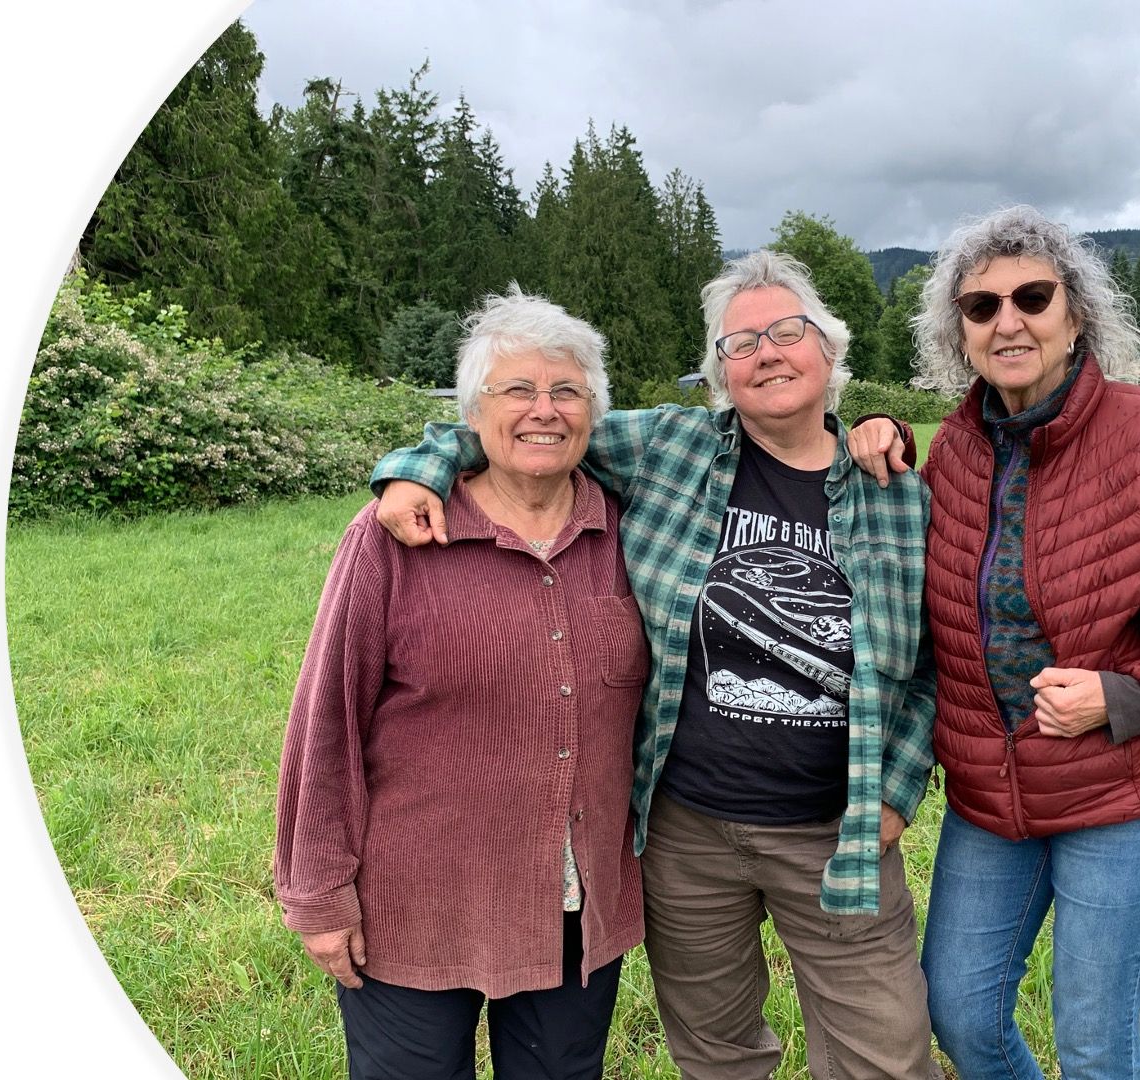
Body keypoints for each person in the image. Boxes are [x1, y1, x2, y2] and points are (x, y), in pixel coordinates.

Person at [372, 251, 941, 1079]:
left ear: (831, 350)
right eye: (739, 343)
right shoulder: (671, 449)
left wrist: (895, 794)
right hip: (685, 832)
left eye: (789, 332)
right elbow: (528, 423)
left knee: (885, 1057)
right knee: (716, 1054)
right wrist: (415, 471)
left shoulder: (898, 493)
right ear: (718, 371)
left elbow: (933, 664)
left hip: (837, 831)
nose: (767, 353)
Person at [848, 205, 1140, 1080]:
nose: (1007, 320)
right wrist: (882, 436)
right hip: (995, 793)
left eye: (1032, 296)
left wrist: (1126, 697)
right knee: (959, 1009)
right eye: (981, 307)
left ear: (1076, 312)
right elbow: (915, 558)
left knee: (1094, 1039)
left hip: (1130, 789)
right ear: (961, 335)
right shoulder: (957, 451)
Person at [274, 288, 648, 1080]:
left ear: (595, 414)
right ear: (471, 414)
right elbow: (326, 718)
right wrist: (317, 891)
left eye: (566, 391)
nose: (542, 410)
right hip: (416, 907)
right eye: (516, 389)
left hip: (573, 914)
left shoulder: (632, 529)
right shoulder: (395, 538)